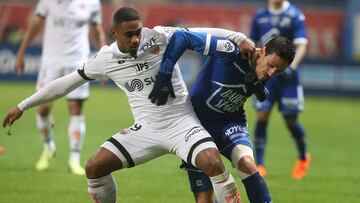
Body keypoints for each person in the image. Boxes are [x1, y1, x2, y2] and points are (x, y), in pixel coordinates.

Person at [3, 7, 257, 203]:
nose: (136, 39)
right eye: (129, 35)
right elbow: (66, 83)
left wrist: (238, 38)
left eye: (138, 32)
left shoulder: (159, 36)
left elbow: (203, 32)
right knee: (94, 167)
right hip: (145, 129)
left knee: (213, 162)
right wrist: (24, 105)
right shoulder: (105, 58)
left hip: (182, 124)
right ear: (114, 34)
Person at [150, 30, 295, 203]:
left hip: (230, 123)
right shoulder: (230, 51)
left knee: (247, 164)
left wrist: (260, 89)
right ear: (262, 51)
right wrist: (165, 74)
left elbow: (253, 84)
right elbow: (183, 37)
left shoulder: (263, 72)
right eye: (271, 65)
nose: (271, 73)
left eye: (278, 71)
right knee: (205, 200)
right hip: (196, 126)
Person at [14, 0, 106, 175]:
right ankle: (48, 147)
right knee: (42, 109)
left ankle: (74, 159)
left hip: (78, 62)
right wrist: (21, 53)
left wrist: (105, 61)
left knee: (75, 107)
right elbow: (34, 26)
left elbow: (98, 31)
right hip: (51, 62)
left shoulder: (92, 3)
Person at [249, 0, 310, 179]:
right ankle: (259, 164)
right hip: (267, 75)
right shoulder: (259, 16)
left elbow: (302, 44)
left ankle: (302, 157)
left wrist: (292, 66)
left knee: (290, 121)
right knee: (262, 115)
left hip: (287, 78)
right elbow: (252, 42)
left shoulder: (294, 14)